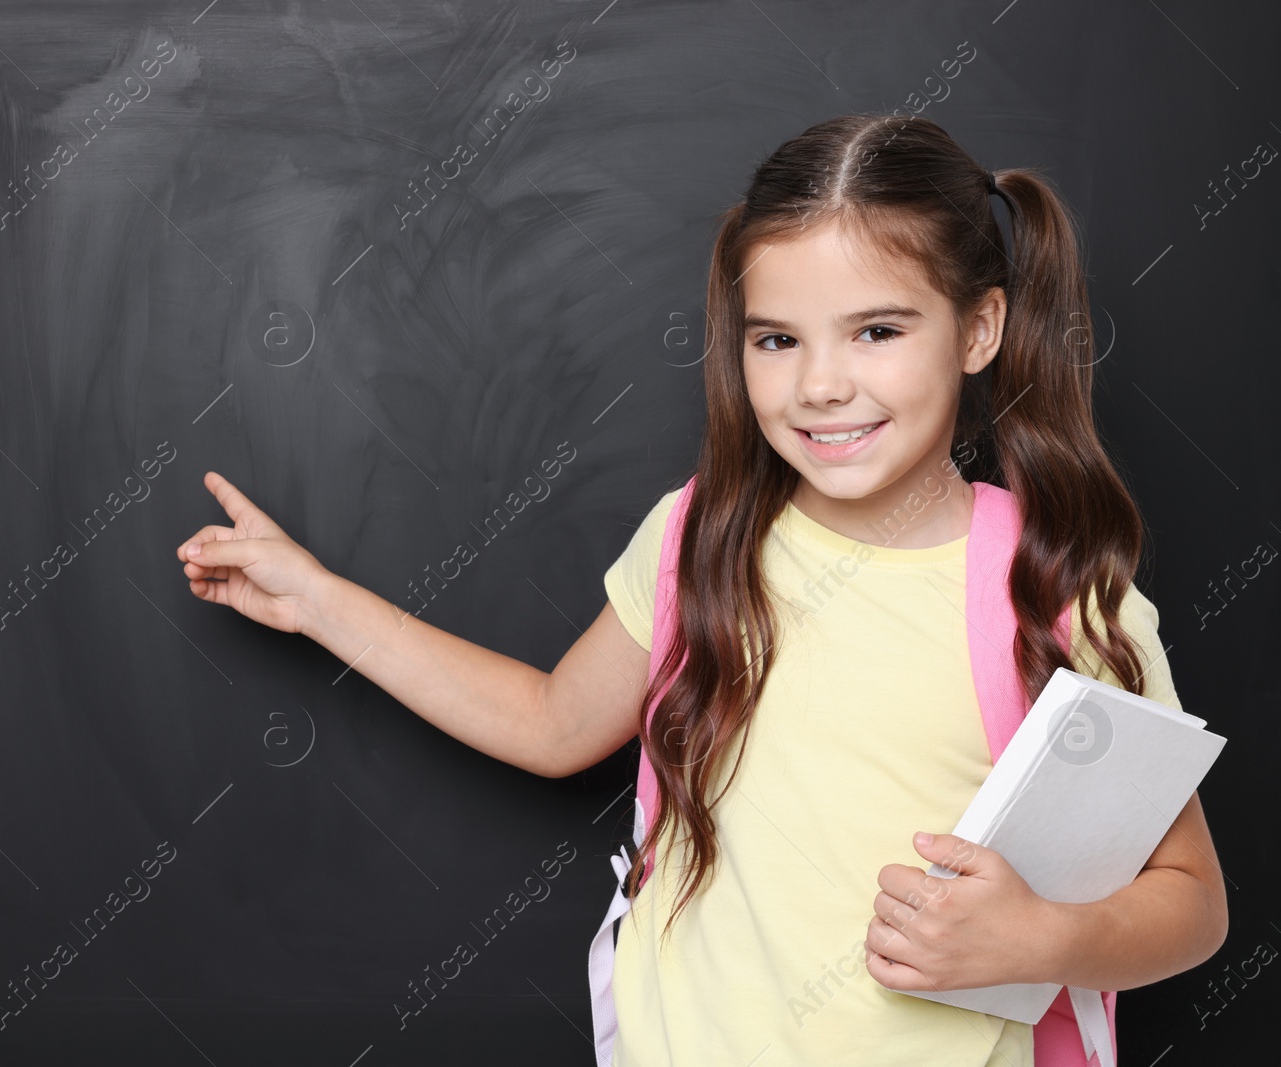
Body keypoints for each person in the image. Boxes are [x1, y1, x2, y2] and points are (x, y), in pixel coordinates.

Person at [174, 113, 1227, 1066]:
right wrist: (315, 598)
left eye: (877, 330)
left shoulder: (1056, 595)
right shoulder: (698, 536)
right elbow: (550, 722)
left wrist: (1045, 936)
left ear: (979, 330)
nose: (819, 383)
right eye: (777, 339)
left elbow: (1192, 905)